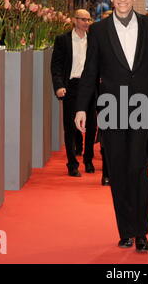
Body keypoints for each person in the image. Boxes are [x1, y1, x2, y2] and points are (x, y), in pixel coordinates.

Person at [75, 0, 148, 253]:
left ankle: (142, 231)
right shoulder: (98, 31)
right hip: (111, 106)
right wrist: (81, 108)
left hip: (142, 105)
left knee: (139, 168)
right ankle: (126, 230)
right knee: (118, 170)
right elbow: (90, 72)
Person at [51, 9, 96, 177]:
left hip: (90, 85)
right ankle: (72, 164)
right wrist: (58, 85)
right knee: (70, 127)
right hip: (71, 85)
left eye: (88, 19)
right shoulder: (63, 40)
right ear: (74, 20)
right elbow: (56, 65)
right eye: (82, 19)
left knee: (91, 125)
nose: (86, 22)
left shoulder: (94, 40)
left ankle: (88, 159)